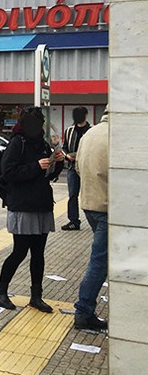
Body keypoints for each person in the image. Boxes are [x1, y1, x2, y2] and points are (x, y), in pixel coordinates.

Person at [0, 107, 65, 312]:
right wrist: (35, 166)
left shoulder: (42, 143)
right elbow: (8, 172)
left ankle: (36, 296)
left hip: (41, 204)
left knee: (38, 254)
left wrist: (56, 163)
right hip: (22, 206)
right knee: (20, 251)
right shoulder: (18, 143)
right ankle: (0, 290)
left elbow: (48, 175)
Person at [73, 109, 109, 331]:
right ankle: (84, 310)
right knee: (99, 261)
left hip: (89, 203)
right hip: (109, 206)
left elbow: (77, 167)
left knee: (103, 258)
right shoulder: (121, 135)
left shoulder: (91, 133)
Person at [61, 106, 91, 231]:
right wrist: (67, 155)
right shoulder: (69, 131)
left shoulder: (91, 131)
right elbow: (64, 147)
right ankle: (74, 221)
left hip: (88, 168)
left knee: (90, 195)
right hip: (73, 167)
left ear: (86, 115)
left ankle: (93, 220)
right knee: (72, 195)